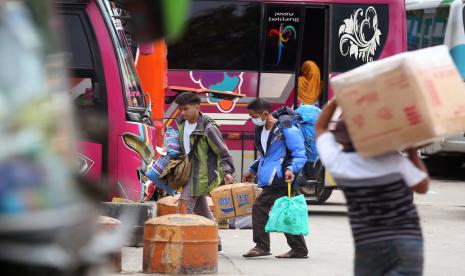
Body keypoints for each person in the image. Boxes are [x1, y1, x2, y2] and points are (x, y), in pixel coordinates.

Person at [315, 99, 429, 276]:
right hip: (408, 240)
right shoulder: (393, 159)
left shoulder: (338, 164)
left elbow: (320, 128)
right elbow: (422, 187)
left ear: (341, 140)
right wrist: (412, 151)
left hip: (369, 243)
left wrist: (338, 100)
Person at [242, 98, 308, 259]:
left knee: (260, 206)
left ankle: (262, 246)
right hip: (272, 177)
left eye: (254, 116)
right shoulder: (261, 130)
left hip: (282, 177)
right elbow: (267, 155)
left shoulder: (286, 129)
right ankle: (299, 249)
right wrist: (253, 169)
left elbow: (300, 153)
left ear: (265, 114)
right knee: (286, 211)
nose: (252, 119)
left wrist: (291, 169)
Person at [174, 92, 235, 250]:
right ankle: (216, 241)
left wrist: (228, 172)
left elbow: (223, 152)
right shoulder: (181, 123)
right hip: (188, 173)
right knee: (202, 210)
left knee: (183, 208)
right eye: (180, 109)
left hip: (203, 175)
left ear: (197, 107)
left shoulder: (208, 127)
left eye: (185, 109)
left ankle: (179, 246)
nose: (182, 112)